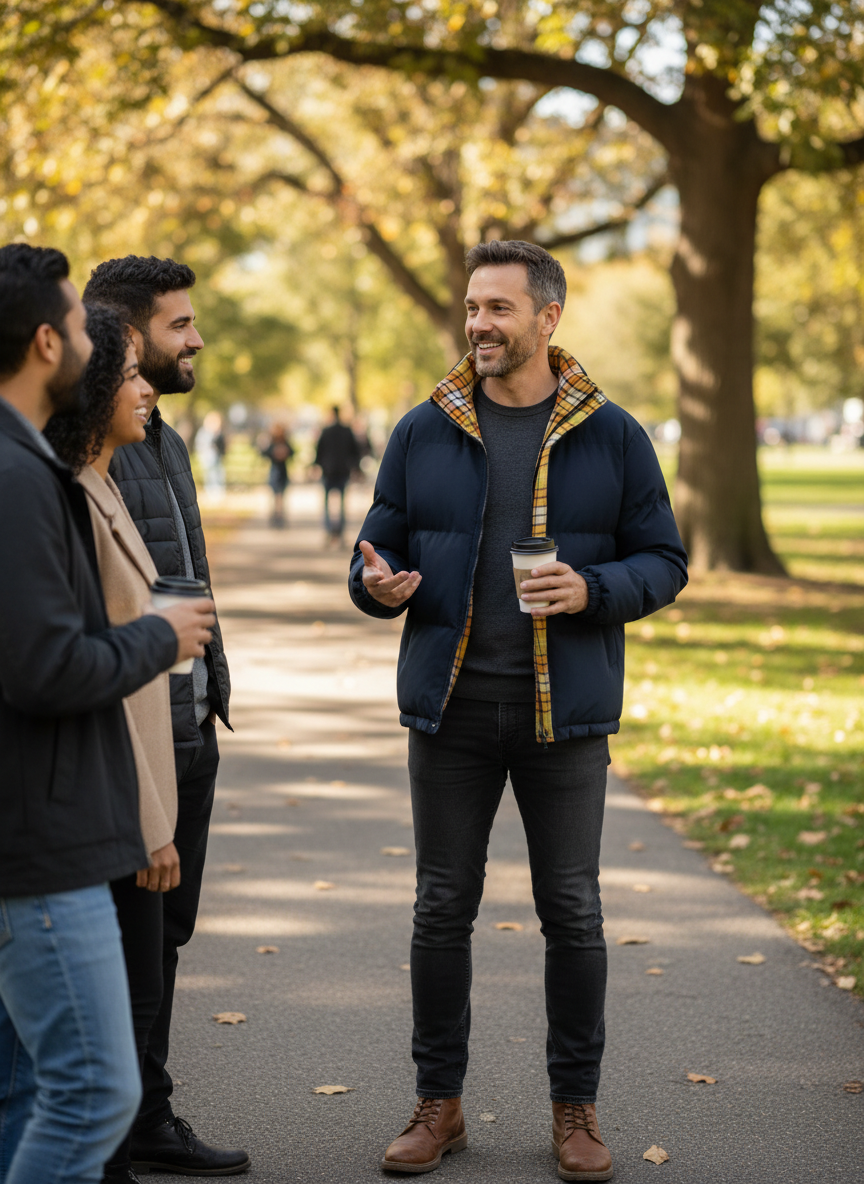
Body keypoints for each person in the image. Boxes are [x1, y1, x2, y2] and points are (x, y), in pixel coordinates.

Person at [349, 240, 688, 1180]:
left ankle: (575, 1112)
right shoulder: (424, 429)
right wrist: (374, 586)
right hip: (451, 712)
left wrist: (595, 590)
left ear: (548, 318)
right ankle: (439, 1106)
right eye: (470, 308)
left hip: (562, 718)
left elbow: (665, 560)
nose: (478, 325)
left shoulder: (613, 434)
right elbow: (374, 547)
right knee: (440, 911)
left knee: (572, 913)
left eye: (498, 308)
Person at [0, 244, 213, 1184]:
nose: (104, 350)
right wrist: (163, 640)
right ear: (50, 343)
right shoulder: (28, 479)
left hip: (95, 800)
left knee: (34, 1090)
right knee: (91, 1089)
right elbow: (50, 665)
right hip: (52, 831)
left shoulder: (70, 462)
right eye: (91, 335)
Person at [83, 256, 246, 1177]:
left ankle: (147, 1115)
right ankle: (115, 1129)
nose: (196, 340)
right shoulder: (93, 448)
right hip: (133, 737)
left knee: (166, 938)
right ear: (129, 334)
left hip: (189, 727)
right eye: (180, 325)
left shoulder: (167, 437)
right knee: (125, 950)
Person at [45, 305, 183, 1184]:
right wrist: (150, 824)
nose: (147, 389)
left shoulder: (108, 482)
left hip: (136, 803)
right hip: (117, 812)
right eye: (131, 373)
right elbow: (93, 680)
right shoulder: (72, 498)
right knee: (106, 1048)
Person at [315, 403, 360, 545]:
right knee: (341, 503)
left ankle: (329, 531)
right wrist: (355, 467)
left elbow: (319, 451)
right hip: (343, 470)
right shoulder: (347, 431)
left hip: (328, 471)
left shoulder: (326, 431)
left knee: (327, 503)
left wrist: (317, 465)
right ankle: (340, 533)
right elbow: (355, 451)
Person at [260, 421, 295, 526]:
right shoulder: (272, 442)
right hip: (274, 471)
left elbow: (292, 452)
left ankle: (280, 516)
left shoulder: (285, 442)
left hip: (283, 471)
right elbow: (264, 453)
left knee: (282, 496)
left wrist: (285, 453)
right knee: (275, 495)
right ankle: (275, 516)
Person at [194, 410, 226, 495]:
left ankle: (218, 489)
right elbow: (201, 444)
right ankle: (212, 490)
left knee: (218, 472)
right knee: (211, 473)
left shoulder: (217, 433)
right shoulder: (204, 432)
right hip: (208, 456)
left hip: (215, 456)